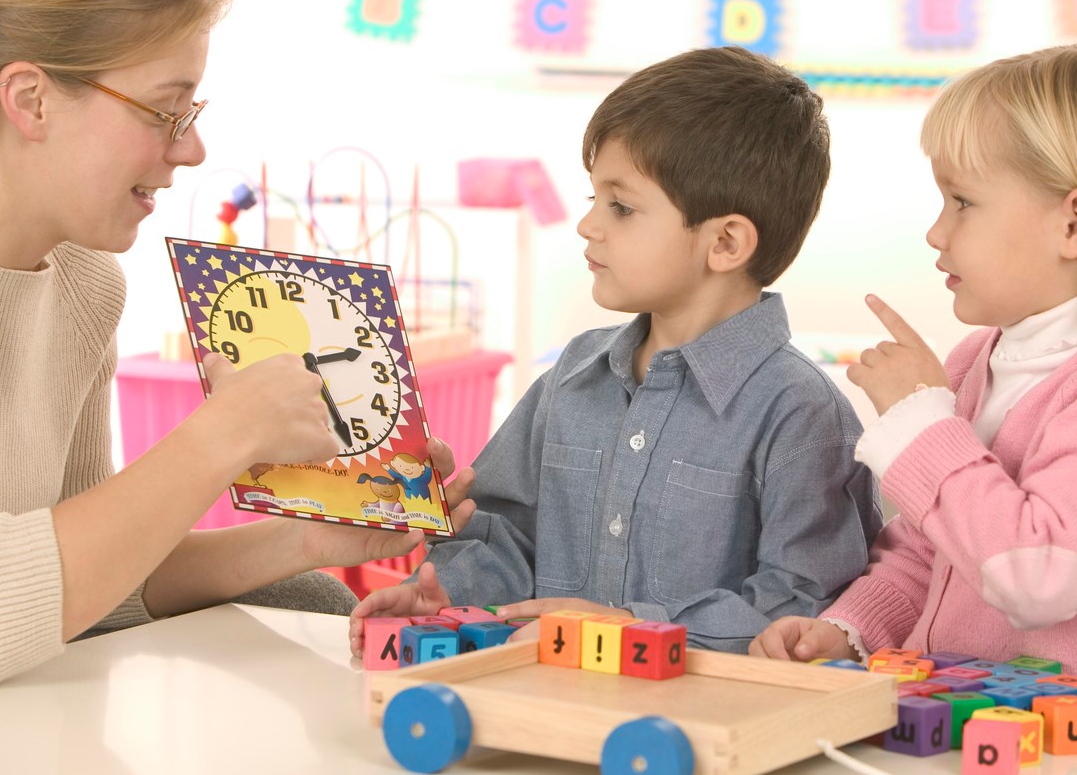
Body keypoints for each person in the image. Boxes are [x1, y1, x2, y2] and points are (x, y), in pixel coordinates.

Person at [0, 0, 474, 689]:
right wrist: (222, 435)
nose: (192, 149)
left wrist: (304, 541)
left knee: (312, 594)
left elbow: (82, 584)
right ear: (32, 100)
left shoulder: (83, 285)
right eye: (163, 112)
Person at [349, 45, 883, 657]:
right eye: (593, 200)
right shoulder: (573, 376)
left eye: (621, 207)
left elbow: (802, 607)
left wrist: (626, 626)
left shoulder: (801, 413)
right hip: (547, 701)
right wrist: (449, 591)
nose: (589, 226)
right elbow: (509, 536)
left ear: (726, 242)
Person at [749, 42, 1077, 704]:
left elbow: (1039, 579)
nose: (937, 233)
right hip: (954, 729)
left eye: (962, 202)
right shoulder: (975, 361)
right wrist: (849, 629)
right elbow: (927, 552)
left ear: (1074, 222)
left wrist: (920, 423)